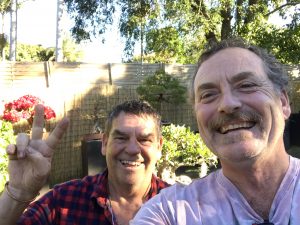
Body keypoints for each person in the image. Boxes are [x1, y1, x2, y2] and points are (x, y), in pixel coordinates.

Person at [131, 38, 300, 225]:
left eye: (246, 85)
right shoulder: (168, 213)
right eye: (208, 95)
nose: (227, 104)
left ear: (283, 102)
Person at [0, 100, 169, 225]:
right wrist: (18, 193)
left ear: (159, 147)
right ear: (104, 144)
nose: (132, 149)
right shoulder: (63, 201)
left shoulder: (180, 206)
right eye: (121, 138)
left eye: (144, 139)